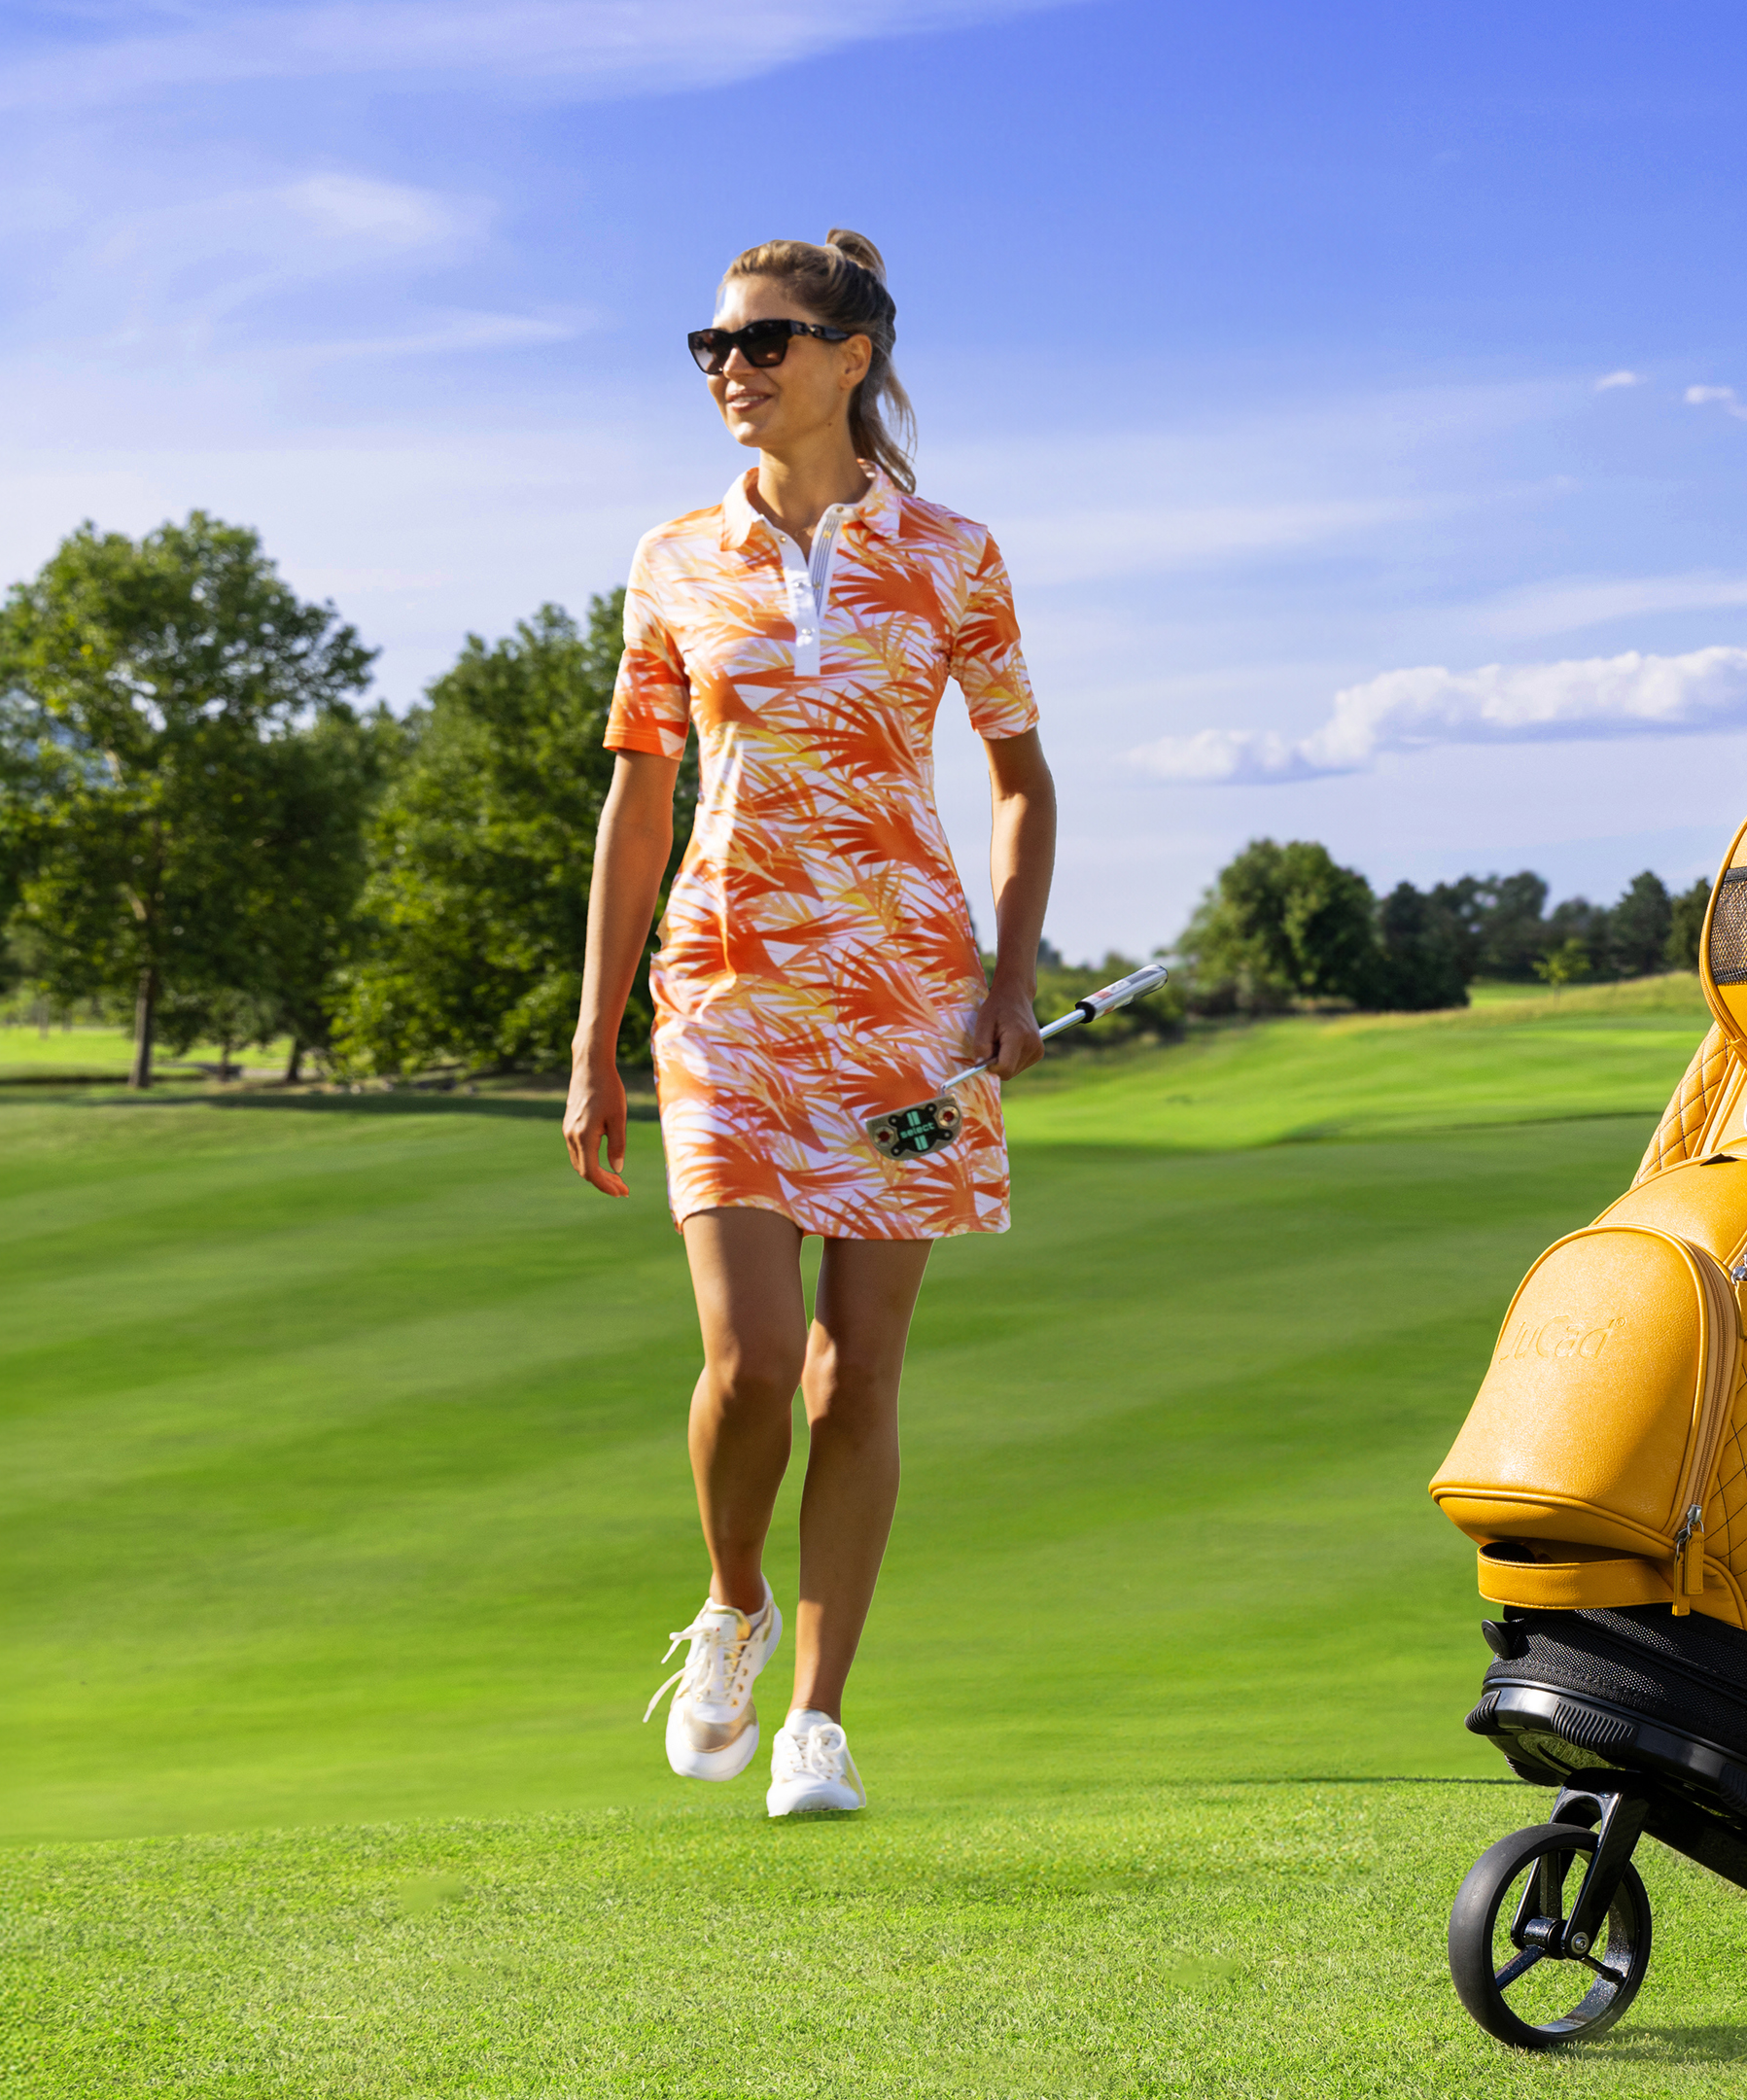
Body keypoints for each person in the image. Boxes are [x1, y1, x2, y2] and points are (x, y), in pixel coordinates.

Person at [563, 229, 1056, 1816]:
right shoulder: (670, 559)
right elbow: (641, 798)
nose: (733, 370)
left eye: (764, 342)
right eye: (712, 346)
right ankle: (731, 1608)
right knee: (757, 1356)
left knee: (860, 1375)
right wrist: (589, 1041)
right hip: (720, 993)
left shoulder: (956, 554)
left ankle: (821, 1721)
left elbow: (1021, 780)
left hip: (909, 1006)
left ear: (852, 355)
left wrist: (1011, 976)